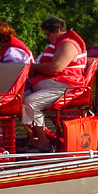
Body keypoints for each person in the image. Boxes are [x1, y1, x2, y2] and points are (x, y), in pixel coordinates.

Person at [21, 17, 87, 152]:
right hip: (52, 86)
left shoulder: (68, 44)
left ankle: (43, 142)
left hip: (66, 87)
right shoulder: (59, 43)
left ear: (57, 30)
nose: (47, 37)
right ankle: (34, 138)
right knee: (17, 100)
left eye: (48, 34)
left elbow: (55, 67)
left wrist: (30, 68)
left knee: (30, 102)